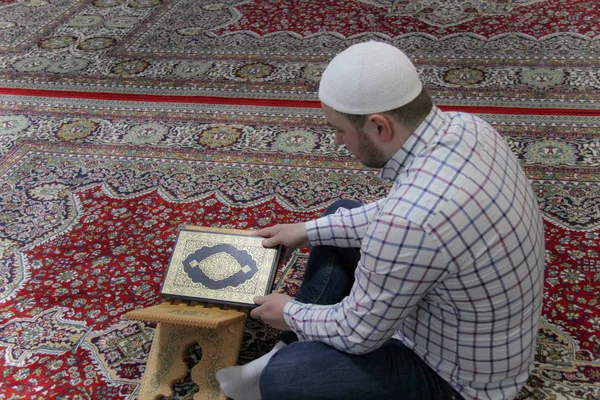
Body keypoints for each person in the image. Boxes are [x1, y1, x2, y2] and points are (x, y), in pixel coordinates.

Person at [216, 41, 545, 400]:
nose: (338, 141)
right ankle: (288, 346)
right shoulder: (467, 126)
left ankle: (285, 354)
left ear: (378, 126)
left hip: (458, 380)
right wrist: (307, 231)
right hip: (476, 333)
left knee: (286, 379)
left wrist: (290, 312)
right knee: (337, 218)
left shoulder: (408, 221)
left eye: (340, 130)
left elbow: (358, 334)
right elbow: (399, 213)